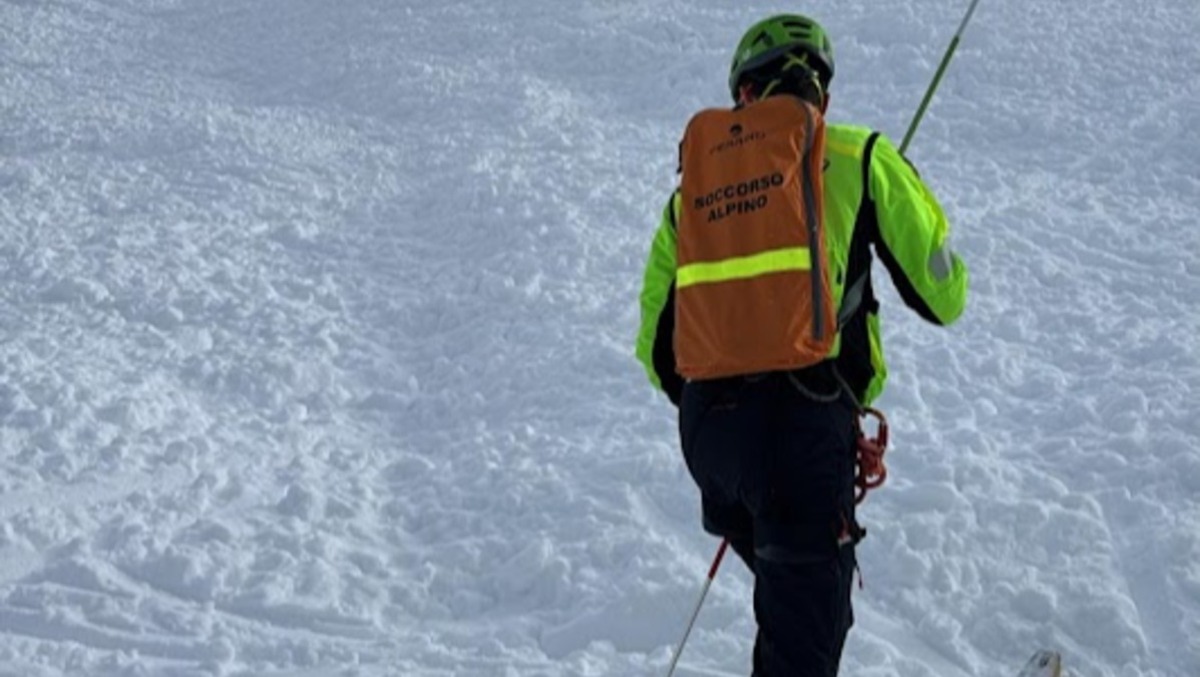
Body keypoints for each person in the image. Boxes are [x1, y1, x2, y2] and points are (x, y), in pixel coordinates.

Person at [634, 14, 970, 676]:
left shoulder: (692, 197)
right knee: (803, 637)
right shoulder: (859, 156)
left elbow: (657, 349)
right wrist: (911, 200)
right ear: (821, 91)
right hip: (804, 434)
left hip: (711, 442)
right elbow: (944, 294)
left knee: (803, 612)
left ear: (743, 96)